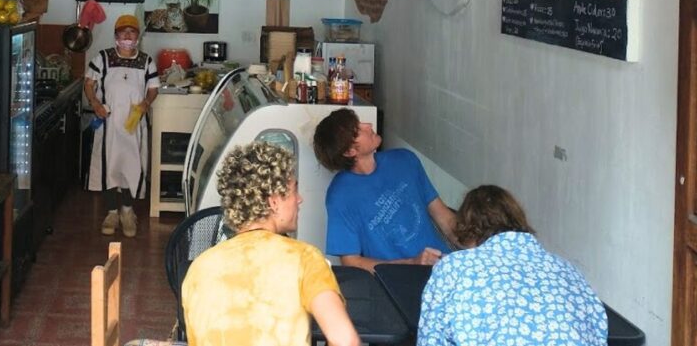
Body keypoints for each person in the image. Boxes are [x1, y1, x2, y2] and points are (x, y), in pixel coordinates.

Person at [181, 142, 361, 346]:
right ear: (274, 201)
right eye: (294, 190)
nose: (299, 199)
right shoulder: (303, 258)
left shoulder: (198, 269)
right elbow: (345, 340)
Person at [418, 185, 608, 345]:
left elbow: (431, 339)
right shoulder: (567, 269)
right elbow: (599, 333)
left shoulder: (452, 267)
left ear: (469, 228)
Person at [313, 108, 456, 272]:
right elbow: (351, 261)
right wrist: (413, 263)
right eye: (358, 130)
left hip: (445, 267)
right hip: (399, 283)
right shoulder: (340, 196)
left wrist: (477, 245)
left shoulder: (405, 159)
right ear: (349, 151)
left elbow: (442, 216)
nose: (368, 125)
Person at [84, 14, 159, 237]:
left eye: (132, 31)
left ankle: (127, 212)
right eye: (123, 32)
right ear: (116, 36)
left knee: (131, 167)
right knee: (109, 167)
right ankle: (111, 213)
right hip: (109, 123)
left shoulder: (146, 61)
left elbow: (153, 87)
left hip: (133, 125)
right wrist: (95, 103)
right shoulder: (103, 58)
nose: (127, 35)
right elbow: (89, 83)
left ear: (137, 36)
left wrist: (146, 102)